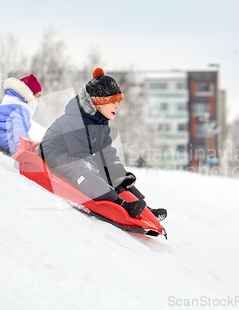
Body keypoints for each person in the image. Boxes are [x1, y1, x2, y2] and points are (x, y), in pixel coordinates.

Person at [39, 68, 166, 220]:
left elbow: (106, 151)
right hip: (56, 153)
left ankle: (145, 209)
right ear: (98, 102)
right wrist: (102, 173)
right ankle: (120, 204)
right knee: (85, 168)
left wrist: (118, 174)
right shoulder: (75, 120)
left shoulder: (100, 121)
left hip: (77, 153)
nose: (118, 107)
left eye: (118, 102)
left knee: (116, 174)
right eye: (113, 102)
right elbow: (82, 155)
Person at [0, 74, 42, 153]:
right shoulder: (20, 109)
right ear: (30, 95)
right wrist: (26, 151)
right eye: (38, 96)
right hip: (5, 141)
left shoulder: (9, 104)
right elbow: (20, 132)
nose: (39, 100)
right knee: (38, 150)